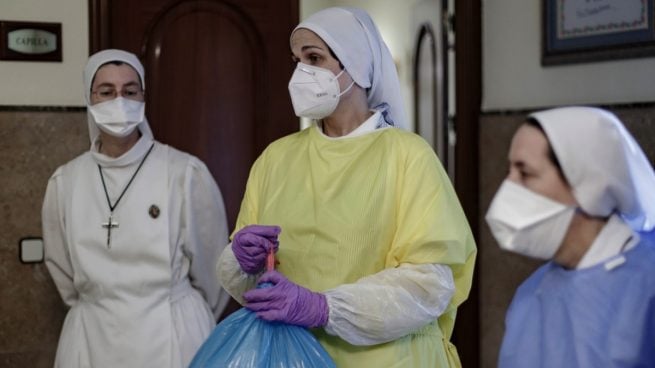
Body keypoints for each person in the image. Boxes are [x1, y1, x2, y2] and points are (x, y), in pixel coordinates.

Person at [215, 7, 476, 368]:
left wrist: (324, 308)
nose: (300, 72)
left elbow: (429, 286)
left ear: (355, 62)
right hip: (293, 356)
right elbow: (257, 289)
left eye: (314, 58)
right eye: (296, 60)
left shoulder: (407, 156)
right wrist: (241, 264)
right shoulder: (276, 159)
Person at [42, 49, 231, 367]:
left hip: (173, 333)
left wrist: (178, 306)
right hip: (91, 336)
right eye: (106, 91)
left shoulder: (184, 173)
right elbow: (61, 269)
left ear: (143, 97)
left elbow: (215, 269)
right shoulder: (66, 182)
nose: (119, 100)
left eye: (130, 91)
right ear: (89, 98)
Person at [485, 106, 655, 367]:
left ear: (587, 184)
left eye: (525, 173)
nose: (509, 188)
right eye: (509, 172)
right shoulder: (531, 296)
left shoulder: (646, 288)